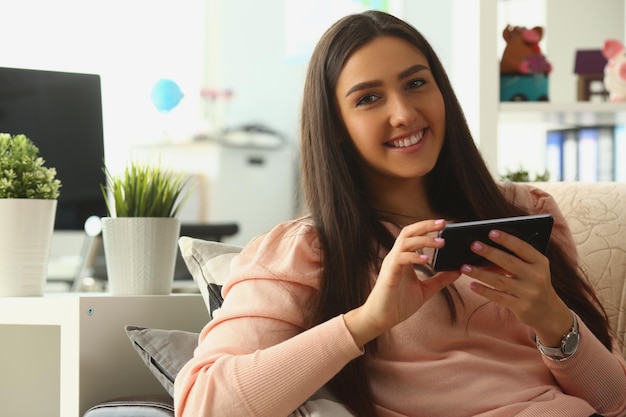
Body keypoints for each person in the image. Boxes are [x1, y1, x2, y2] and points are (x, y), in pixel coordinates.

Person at [174, 10, 626, 417]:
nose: (404, 113)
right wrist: (368, 321)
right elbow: (203, 406)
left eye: (416, 83)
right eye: (368, 98)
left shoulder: (526, 213)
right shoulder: (307, 251)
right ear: (336, 127)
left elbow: (614, 401)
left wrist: (553, 320)